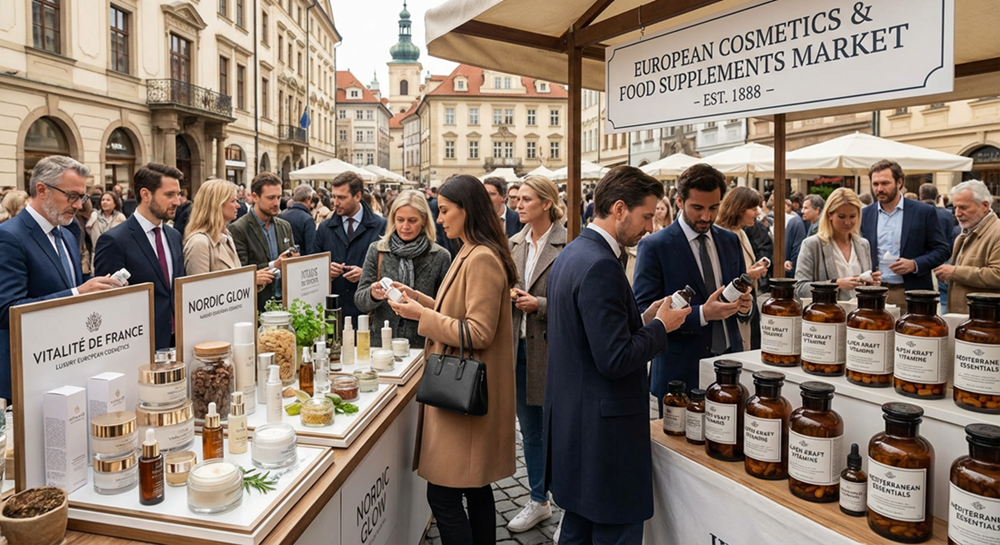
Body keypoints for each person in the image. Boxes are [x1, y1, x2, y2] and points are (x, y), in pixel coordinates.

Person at [544, 166, 690, 545]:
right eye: (647, 216)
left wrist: (643, 318)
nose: (649, 227)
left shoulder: (574, 252)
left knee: (577, 531)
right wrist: (662, 327)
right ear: (620, 209)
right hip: (605, 436)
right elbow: (615, 358)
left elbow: (590, 333)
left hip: (577, 426)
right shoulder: (601, 264)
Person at [387, 175, 517, 545]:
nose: (439, 219)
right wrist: (422, 301)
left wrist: (421, 317)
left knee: (442, 495)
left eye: (444, 211)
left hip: (465, 395)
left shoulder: (481, 258)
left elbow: (478, 332)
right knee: (475, 489)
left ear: (467, 210)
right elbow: (458, 311)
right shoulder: (470, 249)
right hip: (464, 393)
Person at [0, 157, 122, 399]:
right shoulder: (9, 237)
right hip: (27, 374)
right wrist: (77, 293)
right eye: (72, 196)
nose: (78, 205)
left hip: (67, 367)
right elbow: (7, 310)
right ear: (42, 190)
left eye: (83, 197)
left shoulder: (66, 233)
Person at [634, 163, 753, 400]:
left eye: (714, 208)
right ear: (679, 201)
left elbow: (741, 297)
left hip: (730, 364)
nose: (706, 216)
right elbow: (643, 311)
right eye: (697, 208)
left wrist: (745, 308)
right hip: (680, 370)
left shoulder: (730, 240)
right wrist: (702, 314)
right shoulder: (655, 246)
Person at [505, 175, 567, 534]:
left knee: (560, 429)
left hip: (555, 349)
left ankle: (567, 507)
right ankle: (537, 499)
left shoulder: (567, 243)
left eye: (526, 199)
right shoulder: (515, 243)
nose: (519, 204)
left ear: (547, 203)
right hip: (520, 347)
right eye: (517, 199)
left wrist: (539, 304)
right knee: (529, 431)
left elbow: (577, 299)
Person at [95, 163, 185, 350]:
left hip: (178, 341)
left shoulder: (174, 236)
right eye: (169, 195)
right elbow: (108, 305)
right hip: (138, 347)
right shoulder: (114, 240)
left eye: (178, 194)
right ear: (146, 195)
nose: (177, 201)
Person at [355, 189, 451, 348]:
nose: (405, 226)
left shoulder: (440, 256)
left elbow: (446, 310)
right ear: (393, 220)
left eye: (412, 220)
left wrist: (419, 304)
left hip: (424, 346)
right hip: (382, 345)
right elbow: (360, 301)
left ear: (424, 220)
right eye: (400, 220)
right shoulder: (378, 250)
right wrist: (372, 294)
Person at [860, 159, 951, 310]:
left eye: (885, 183)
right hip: (875, 292)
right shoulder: (865, 214)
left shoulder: (923, 212)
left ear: (899, 182)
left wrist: (914, 264)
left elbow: (942, 250)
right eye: (875, 184)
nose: (879, 189)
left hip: (912, 292)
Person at [313, 172, 386, 323]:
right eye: (334, 196)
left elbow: (393, 269)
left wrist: (367, 275)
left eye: (341, 197)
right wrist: (325, 270)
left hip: (369, 314)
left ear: (358, 196)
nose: (335, 202)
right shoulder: (325, 228)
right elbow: (311, 267)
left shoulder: (382, 226)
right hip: (333, 313)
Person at [794, 188, 880, 300]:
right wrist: (836, 284)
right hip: (827, 314)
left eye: (852, 216)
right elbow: (800, 288)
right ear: (830, 214)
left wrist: (871, 283)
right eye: (841, 217)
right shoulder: (812, 244)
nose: (848, 222)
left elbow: (862, 288)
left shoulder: (863, 245)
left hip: (859, 314)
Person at [229, 172, 297, 313]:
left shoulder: (284, 226)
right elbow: (241, 270)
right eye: (271, 198)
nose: (276, 203)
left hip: (285, 304)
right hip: (257, 306)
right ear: (255, 197)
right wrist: (274, 265)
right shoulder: (239, 228)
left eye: (279, 197)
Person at [715, 187, 770, 351]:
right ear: (739, 209)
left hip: (747, 304)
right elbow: (723, 276)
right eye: (753, 209)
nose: (758, 213)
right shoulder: (724, 236)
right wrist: (750, 274)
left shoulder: (741, 232)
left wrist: (756, 268)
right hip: (734, 309)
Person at [933, 180, 1000, 313]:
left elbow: (997, 274)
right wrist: (947, 276)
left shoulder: (997, 232)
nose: (957, 213)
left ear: (985, 206)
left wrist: (954, 272)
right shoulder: (964, 234)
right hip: (966, 318)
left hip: (986, 321)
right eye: (955, 207)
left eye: (963, 207)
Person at [182, 179, 248, 276]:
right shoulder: (199, 243)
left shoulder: (226, 235)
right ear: (217, 204)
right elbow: (199, 288)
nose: (238, 205)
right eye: (233, 201)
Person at [920, 182, 958, 310]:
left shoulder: (919, 212)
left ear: (920, 197)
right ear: (937, 197)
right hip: (945, 259)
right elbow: (950, 238)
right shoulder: (946, 214)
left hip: (924, 260)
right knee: (943, 298)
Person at [279, 184, 317, 256]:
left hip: (282, 261)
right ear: (309, 198)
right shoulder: (308, 219)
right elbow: (311, 250)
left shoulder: (281, 215)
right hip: (301, 262)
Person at [784, 199, 808, 276]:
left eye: (806, 208)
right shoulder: (797, 222)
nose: (802, 211)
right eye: (803, 208)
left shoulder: (796, 221)